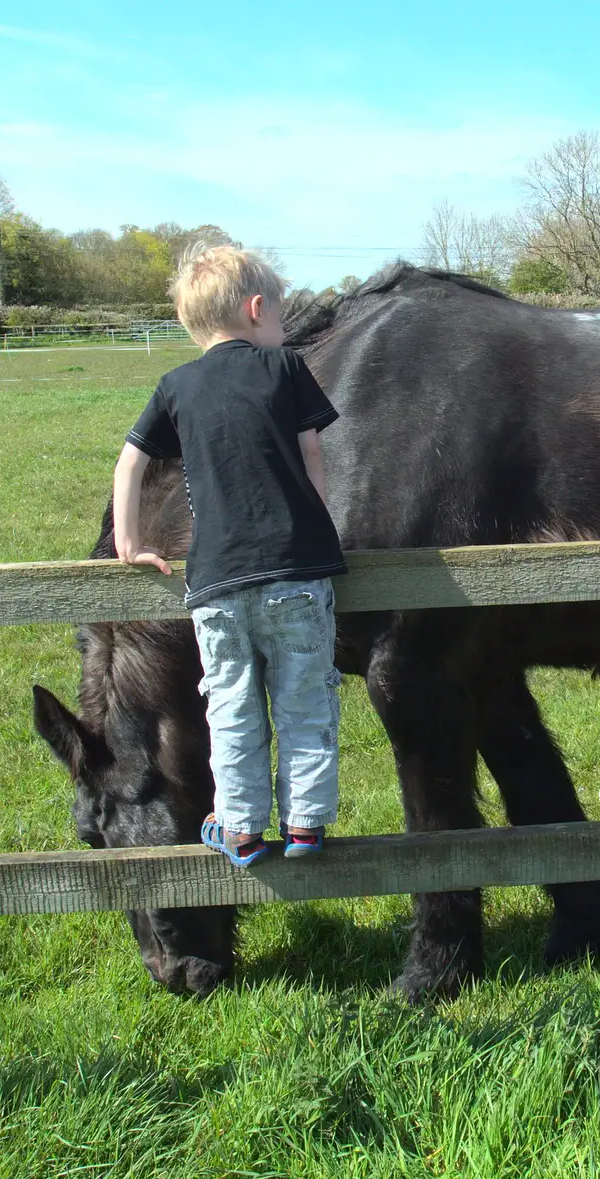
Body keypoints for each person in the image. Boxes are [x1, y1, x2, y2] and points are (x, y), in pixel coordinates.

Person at [112, 243, 346, 865]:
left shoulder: (176, 385)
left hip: (216, 583)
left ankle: (241, 829)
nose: (282, 328)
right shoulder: (286, 368)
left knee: (231, 708)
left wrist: (130, 543)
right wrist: (319, 522)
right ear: (256, 308)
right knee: (305, 700)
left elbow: (132, 460)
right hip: (296, 573)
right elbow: (313, 454)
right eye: (280, 316)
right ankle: (305, 826)